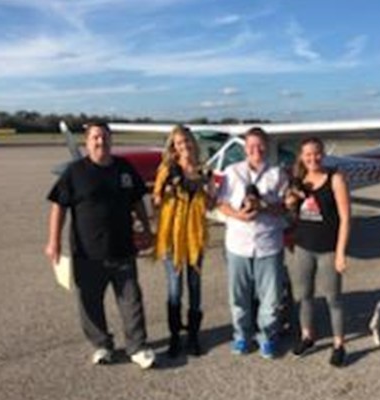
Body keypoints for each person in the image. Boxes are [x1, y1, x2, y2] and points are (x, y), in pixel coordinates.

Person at [44, 123, 156, 370]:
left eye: (104, 137)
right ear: (87, 142)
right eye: (95, 137)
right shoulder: (75, 172)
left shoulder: (124, 168)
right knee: (89, 302)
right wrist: (53, 241)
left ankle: (137, 347)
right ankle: (102, 345)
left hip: (123, 249)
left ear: (111, 140)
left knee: (131, 301)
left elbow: (137, 201)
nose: (100, 141)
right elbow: (59, 206)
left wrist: (147, 230)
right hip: (87, 253)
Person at [217, 127, 288, 359]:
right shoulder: (232, 171)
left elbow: (286, 207)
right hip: (238, 244)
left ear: (267, 147)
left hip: (268, 244)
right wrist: (238, 214)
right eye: (250, 146)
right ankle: (241, 335)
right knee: (239, 296)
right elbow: (221, 203)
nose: (255, 150)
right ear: (245, 148)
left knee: (271, 298)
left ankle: (267, 337)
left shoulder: (277, 174)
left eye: (260, 146)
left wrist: (263, 206)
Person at [284, 137, 351, 367]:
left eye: (317, 153)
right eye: (308, 154)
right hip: (303, 248)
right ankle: (307, 336)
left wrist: (341, 252)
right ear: (302, 157)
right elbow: (292, 212)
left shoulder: (335, 178)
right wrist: (291, 201)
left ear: (323, 154)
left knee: (333, 298)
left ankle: (339, 344)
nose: (313, 158)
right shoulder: (299, 180)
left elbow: (345, 218)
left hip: (328, 250)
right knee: (304, 296)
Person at [153, 125, 214, 358]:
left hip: (195, 237)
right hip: (172, 237)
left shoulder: (203, 169)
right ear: (174, 147)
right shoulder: (167, 168)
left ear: (193, 143)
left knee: (195, 287)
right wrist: (167, 187)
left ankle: (194, 337)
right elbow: (156, 200)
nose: (184, 146)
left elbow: (210, 204)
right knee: (175, 289)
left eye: (187, 141)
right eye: (179, 143)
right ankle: (175, 337)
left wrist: (208, 188)